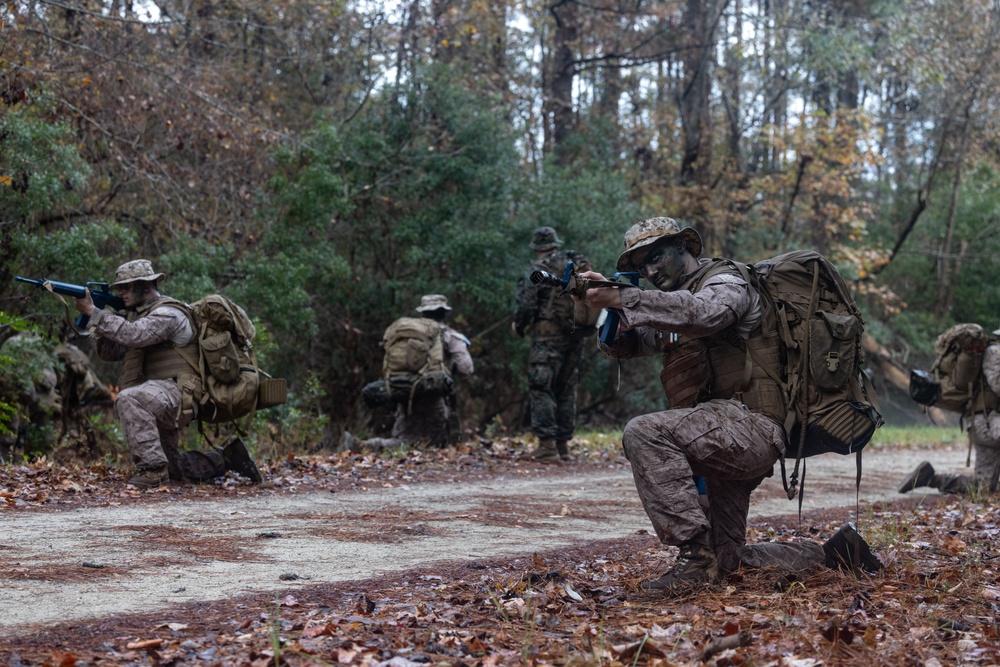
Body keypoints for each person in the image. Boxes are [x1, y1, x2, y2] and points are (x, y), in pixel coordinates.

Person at [576, 217, 880, 594]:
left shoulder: (726, 281)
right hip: (720, 435)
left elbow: (706, 313)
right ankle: (829, 556)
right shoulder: (674, 303)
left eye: (656, 256)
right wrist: (604, 315)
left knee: (644, 432)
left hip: (752, 427)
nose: (650, 270)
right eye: (640, 267)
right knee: (729, 558)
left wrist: (625, 297)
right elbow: (634, 343)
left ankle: (693, 560)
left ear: (684, 245)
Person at [73, 259, 259, 488]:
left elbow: (134, 335)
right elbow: (112, 352)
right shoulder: (139, 316)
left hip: (179, 392)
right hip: (158, 396)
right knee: (176, 470)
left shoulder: (169, 313)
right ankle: (226, 458)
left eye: (126, 287)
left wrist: (96, 312)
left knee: (129, 398)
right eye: (119, 288)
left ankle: (152, 471)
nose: (121, 292)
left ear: (146, 285)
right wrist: (96, 322)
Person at [344, 294, 474, 452]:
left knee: (404, 440)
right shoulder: (449, 335)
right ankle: (367, 446)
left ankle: (364, 445)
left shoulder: (408, 333)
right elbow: (466, 368)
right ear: (444, 312)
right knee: (433, 445)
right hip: (434, 397)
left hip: (404, 391)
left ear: (423, 312)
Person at [511, 226, 598, 462]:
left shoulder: (537, 271)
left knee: (542, 387)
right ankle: (562, 447)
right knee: (566, 389)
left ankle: (547, 448)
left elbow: (526, 306)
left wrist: (518, 325)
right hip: (575, 336)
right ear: (555, 244)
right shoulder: (573, 264)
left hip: (546, 339)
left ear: (535, 247)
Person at [900, 330, 1000, 495]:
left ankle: (930, 479)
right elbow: (997, 383)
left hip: (982, 424)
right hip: (990, 422)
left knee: (983, 486)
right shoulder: (995, 352)